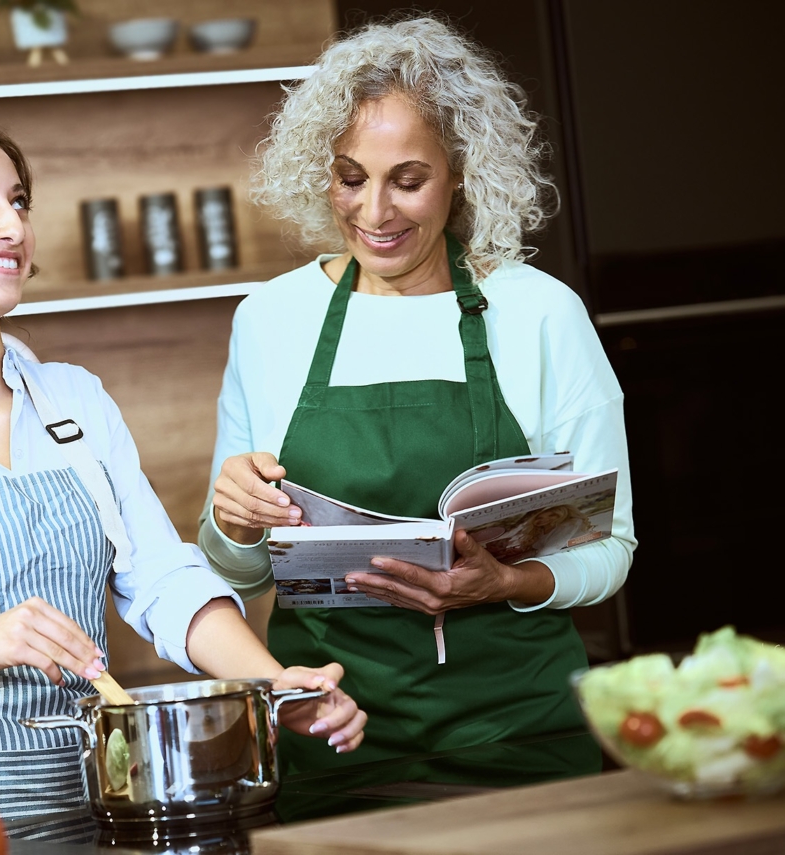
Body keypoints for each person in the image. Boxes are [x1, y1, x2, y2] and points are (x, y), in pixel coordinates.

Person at [0, 106, 366, 827]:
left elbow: (161, 578)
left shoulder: (76, 403)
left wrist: (276, 686)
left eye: (18, 200)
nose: (13, 226)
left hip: (102, 819)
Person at [198, 17, 636, 779]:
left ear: (460, 171)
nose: (374, 213)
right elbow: (239, 575)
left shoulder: (540, 313)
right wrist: (233, 524)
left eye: (407, 181)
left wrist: (506, 580)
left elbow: (610, 549)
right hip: (336, 738)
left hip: (520, 734)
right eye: (350, 178)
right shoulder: (270, 320)